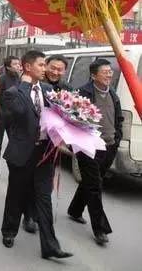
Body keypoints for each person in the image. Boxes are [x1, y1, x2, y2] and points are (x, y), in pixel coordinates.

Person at [0, 50, 72, 260]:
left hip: (44, 153)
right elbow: (20, 112)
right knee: (16, 195)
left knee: (44, 198)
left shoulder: (49, 90)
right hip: (22, 153)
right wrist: (25, 83)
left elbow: (60, 116)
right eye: (41, 65)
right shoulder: (13, 92)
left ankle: (50, 245)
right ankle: (9, 231)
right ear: (27, 67)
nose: (45, 69)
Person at [67, 59, 123, 245]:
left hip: (109, 146)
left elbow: (118, 118)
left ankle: (75, 210)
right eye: (105, 71)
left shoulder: (113, 93)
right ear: (93, 75)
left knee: (91, 181)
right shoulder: (83, 93)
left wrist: (117, 137)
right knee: (95, 185)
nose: (109, 74)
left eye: (110, 71)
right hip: (89, 147)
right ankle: (100, 229)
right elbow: (73, 120)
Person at [0, 55, 21, 182]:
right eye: (15, 64)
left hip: (14, 117)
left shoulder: (20, 80)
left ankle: (15, 171)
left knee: (15, 144)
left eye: (19, 64)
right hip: (1, 117)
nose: (18, 66)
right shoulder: (1, 80)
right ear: (8, 66)